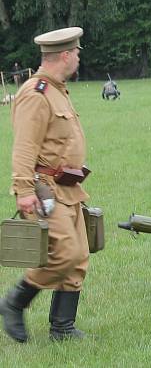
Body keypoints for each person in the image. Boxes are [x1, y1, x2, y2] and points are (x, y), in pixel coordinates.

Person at [1, 27, 92, 342]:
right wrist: (25, 192)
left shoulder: (57, 89)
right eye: (76, 53)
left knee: (79, 256)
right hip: (45, 191)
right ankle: (14, 302)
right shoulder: (36, 93)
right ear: (65, 55)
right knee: (65, 252)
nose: (79, 57)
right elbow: (24, 147)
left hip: (68, 188)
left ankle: (62, 328)